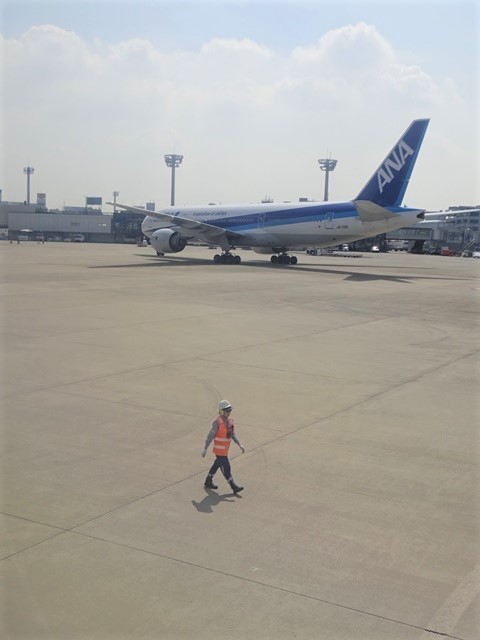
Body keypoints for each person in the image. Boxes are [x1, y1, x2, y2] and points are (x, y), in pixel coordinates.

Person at [202, 399, 245, 493]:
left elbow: (232, 434)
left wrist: (239, 444)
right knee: (226, 468)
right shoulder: (217, 423)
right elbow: (210, 436)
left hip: (225, 450)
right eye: (227, 410)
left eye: (230, 410)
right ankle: (233, 486)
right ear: (222, 411)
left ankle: (208, 481)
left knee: (217, 464)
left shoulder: (230, 421)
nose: (229, 412)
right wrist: (205, 448)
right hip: (219, 451)